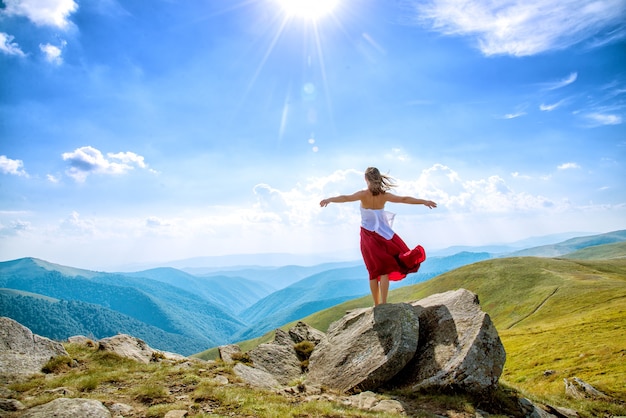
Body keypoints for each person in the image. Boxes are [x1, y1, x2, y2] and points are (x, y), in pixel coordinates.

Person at [320, 167, 437, 306]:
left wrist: (329, 199)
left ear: (366, 179)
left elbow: (345, 198)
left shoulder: (363, 195)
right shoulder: (384, 196)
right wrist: (424, 201)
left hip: (368, 237)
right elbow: (404, 199)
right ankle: (384, 302)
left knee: (373, 270)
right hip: (384, 236)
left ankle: (377, 305)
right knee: (384, 270)